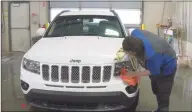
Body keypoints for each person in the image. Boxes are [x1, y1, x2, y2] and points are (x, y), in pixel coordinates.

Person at [122, 28, 177, 112]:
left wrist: (134, 74)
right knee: (155, 88)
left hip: (167, 67)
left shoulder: (152, 55)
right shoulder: (135, 33)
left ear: (134, 52)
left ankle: (162, 109)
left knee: (162, 93)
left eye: (128, 52)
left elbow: (152, 71)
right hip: (158, 59)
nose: (127, 54)